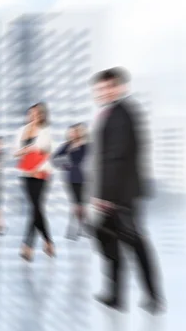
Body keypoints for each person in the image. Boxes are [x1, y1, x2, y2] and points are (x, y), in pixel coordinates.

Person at [91, 67, 164, 314]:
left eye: (108, 87)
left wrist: (106, 197)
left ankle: (153, 297)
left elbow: (116, 158)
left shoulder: (122, 114)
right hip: (118, 191)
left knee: (134, 243)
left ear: (120, 87)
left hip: (120, 193)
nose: (102, 92)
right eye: (100, 88)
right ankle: (117, 295)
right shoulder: (116, 112)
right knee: (108, 239)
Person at [14, 103, 55, 261]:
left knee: (36, 208)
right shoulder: (21, 131)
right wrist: (24, 151)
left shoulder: (45, 131)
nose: (33, 116)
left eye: (37, 114)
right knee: (36, 209)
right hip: (26, 172)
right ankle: (48, 242)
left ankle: (27, 246)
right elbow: (15, 152)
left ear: (42, 115)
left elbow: (46, 151)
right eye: (31, 113)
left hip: (41, 172)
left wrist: (36, 164)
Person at [52, 123, 89, 240]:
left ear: (79, 132)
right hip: (70, 178)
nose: (71, 134)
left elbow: (80, 159)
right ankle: (75, 230)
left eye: (74, 132)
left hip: (85, 178)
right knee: (76, 204)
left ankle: (79, 229)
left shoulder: (86, 146)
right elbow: (54, 160)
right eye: (70, 132)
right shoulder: (66, 146)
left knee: (81, 204)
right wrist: (67, 161)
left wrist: (67, 160)